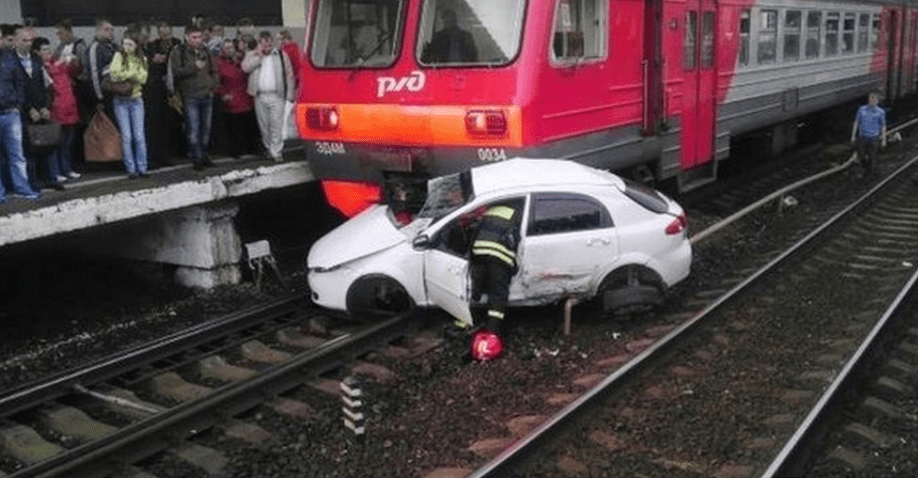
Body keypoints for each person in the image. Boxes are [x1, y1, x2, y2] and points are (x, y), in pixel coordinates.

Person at [467, 200, 523, 359]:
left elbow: (476, 231)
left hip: (479, 251)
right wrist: (513, 266)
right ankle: (493, 331)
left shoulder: (492, 209)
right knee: (498, 295)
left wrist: (472, 255)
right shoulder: (517, 212)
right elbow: (517, 238)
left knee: (475, 289)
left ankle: (470, 319)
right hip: (499, 256)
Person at [15, 27, 59, 192]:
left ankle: (51, 179)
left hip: (40, 109)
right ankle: (33, 182)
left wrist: (44, 106)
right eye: (24, 40)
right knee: (28, 150)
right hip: (23, 111)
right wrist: (28, 109)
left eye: (30, 41)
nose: (27, 44)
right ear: (17, 41)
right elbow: (14, 89)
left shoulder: (35, 59)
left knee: (48, 145)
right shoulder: (10, 60)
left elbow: (45, 85)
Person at [171, 24, 218, 171]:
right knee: (193, 129)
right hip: (190, 95)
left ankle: (204, 155)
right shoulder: (179, 51)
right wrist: (193, 68)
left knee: (206, 128)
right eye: (194, 37)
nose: (197, 40)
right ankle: (196, 158)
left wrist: (213, 84)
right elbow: (176, 72)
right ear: (186, 37)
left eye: (199, 37)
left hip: (206, 94)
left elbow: (213, 69)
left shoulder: (205, 50)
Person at [243, 30, 295, 162]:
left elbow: (289, 75)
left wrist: (290, 95)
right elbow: (245, 68)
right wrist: (259, 57)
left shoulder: (282, 55)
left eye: (270, 43)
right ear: (259, 44)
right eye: (264, 43)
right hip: (259, 96)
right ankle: (268, 148)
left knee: (276, 124)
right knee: (264, 125)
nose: (268, 46)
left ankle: (277, 152)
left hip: (277, 95)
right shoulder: (252, 55)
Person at [35, 36, 81, 186]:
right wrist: (61, 62)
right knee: (54, 143)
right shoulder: (42, 67)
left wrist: (74, 61)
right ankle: (55, 172)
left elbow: (74, 71)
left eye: (49, 49)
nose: (48, 52)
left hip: (69, 106)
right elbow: (49, 78)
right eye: (44, 50)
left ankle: (67, 169)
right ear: (37, 53)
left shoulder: (58, 64)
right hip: (55, 109)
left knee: (68, 142)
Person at [0, 39, 41, 201]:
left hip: (11, 112)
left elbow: (20, 82)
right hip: (10, 113)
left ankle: (22, 189)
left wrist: (18, 104)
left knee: (17, 155)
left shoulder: (10, 58)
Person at [110, 31, 149, 179]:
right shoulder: (118, 56)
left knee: (139, 136)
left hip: (136, 99)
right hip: (120, 100)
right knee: (126, 136)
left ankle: (143, 168)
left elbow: (144, 78)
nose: (127, 47)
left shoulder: (142, 58)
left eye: (130, 44)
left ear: (136, 44)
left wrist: (126, 73)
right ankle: (131, 169)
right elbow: (114, 73)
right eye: (124, 43)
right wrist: (133, 74)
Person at [145, 22, 183, 165]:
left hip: (173, 88)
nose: (165, 36)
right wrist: (153, 60)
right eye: (162, 33)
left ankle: (168, 154)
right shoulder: (152, 45)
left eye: (167, 33)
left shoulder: (178, 44)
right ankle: (157, 155)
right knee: (156, 124)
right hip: (156, 89)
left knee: (171, 123)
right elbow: (149, 60)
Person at [214, 39, 258, 158]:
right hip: (231, 97)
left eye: (231, 48)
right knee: (234, 126)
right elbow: (216, 82)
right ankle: (235, 150)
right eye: (227, 48)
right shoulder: (218, 63)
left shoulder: (240, 61)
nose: (230, 50)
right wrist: (223, 94)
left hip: (245, 96)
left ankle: (251, 148)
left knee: (248, 124)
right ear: (222, 51)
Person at [84, 19, 117, 114]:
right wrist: (100, 98)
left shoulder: (114, 46)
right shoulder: (95, 48)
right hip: (104, 93)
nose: (110, 32)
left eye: (112, 29)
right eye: (107, 29)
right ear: (98, 31)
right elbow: (94, 75)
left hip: (116, 91)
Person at [851, 91, 887, 176]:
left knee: (872, 157)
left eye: (874, 99)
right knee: (862, 156)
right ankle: (864, 169)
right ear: (868, 100)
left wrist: (883, 140)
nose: (872, 101)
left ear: (877, 101)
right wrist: (853, 136)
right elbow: (856, 122)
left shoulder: (881, 112)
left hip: (874, 138)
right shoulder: (861, 109)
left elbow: (883, 126)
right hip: (862, 137)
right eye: (871, 99)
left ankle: (870, 174)